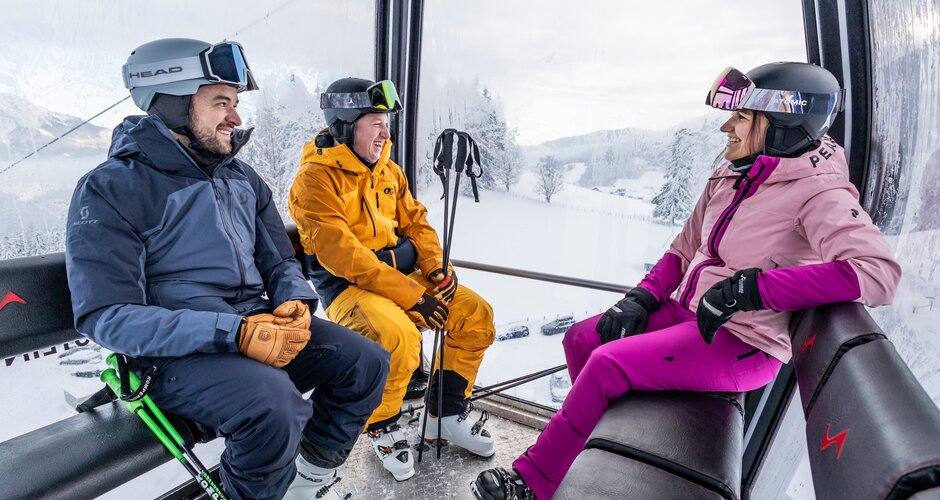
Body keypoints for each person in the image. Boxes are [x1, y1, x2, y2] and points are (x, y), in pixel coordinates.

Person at [472, 62, 902, 499]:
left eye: (741, 117)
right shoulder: (734, 175)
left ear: (782, 123)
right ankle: (582, 447)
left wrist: (754, 290)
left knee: (607, 364)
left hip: (741, 340)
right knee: (584, 339)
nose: (726, 127)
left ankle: (532, 483)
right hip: (687, 312)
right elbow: (683, 248)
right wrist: (641, 297)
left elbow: (877, 273)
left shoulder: (818, 191)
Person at [66, 38, 390, 500]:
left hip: (255, 330)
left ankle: (306, 483)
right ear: (172, 102)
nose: (236, 118)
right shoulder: (113, 188)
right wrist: (233, 332)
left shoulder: (241, 179)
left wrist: (293, 302)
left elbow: (279, 260)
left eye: (235, 104)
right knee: (274, 408)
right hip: (173, 357)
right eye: (221, 103)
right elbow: (107, 315)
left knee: (365, 362)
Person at [288, 77, 497, 481]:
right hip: (350, 289)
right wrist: (415, 298)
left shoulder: (388, 170)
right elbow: (344, 256)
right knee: (397, 336)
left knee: (475, 314)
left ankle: (446, 411)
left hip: (402, 277)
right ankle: (383, 426)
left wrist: (436, 267)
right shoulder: (315, 180)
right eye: (376, 123)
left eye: (386, 123)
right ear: (345, 126)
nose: (386, 133)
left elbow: (416, 222)